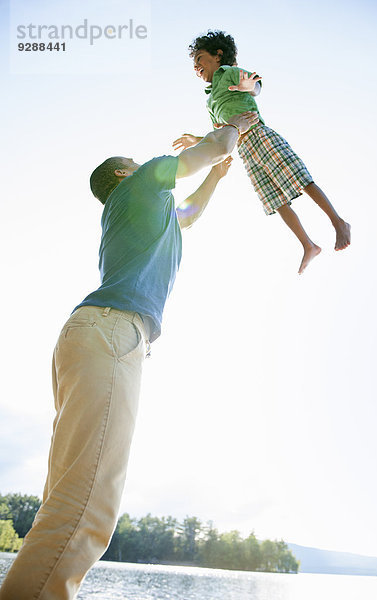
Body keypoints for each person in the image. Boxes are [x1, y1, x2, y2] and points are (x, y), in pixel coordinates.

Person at [0, 110, 259, 600]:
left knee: (67, 501)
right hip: (111, 335)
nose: (146, 164)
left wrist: (216, 179)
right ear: (126, 172)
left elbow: (187, 216)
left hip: (94, 334)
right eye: (137, 162)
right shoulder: (144, 179)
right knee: (86, 507)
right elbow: (217, 147)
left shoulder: (140, 207)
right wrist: (234, 125)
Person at [173, 30, 351, 274]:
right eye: (194, 65)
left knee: (298, 179)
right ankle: (308, 244)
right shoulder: (210, 100)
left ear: (218, 55)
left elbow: (256, 85)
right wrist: (196, 139)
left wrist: (251, 87)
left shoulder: (229, 73)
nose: (196, 66)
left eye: (200, 59)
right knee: (274, 200)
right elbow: (220, 133)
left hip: (258, 134)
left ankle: (338, 221)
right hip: (245, 150)